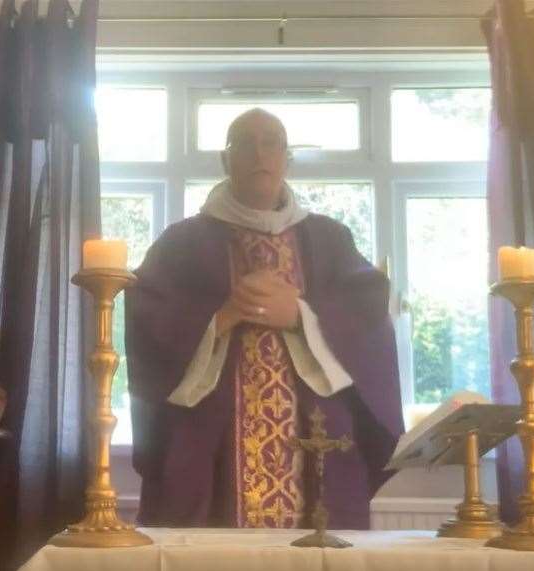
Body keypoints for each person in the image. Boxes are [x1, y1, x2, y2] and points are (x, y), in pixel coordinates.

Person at [125, 108, 404, 529]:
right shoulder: (182, 243)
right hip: (213, 453)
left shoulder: (329, 238)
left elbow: (367, 318)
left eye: (271, 142)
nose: (260, 154)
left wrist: (303, 315)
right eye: (245, 143)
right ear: (225, 160)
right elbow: (149, 325)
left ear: (286, 158)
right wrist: (220, 318)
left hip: (315, 447)